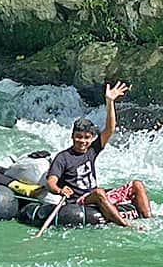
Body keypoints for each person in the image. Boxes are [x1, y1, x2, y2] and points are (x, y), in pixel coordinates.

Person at [40, 81, 153, 229]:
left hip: (95, 195)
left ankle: (149, 220)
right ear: (72, 136)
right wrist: (60, 190)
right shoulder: (63, 157)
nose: (82, 141)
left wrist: (110, 101)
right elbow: (51, 182)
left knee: (136, 185)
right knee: (99, 192)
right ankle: (127, 225)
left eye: (86, 138)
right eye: (79, 137)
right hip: (79, 201)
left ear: (91, 138)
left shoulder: (92, 150)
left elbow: (110, 129)